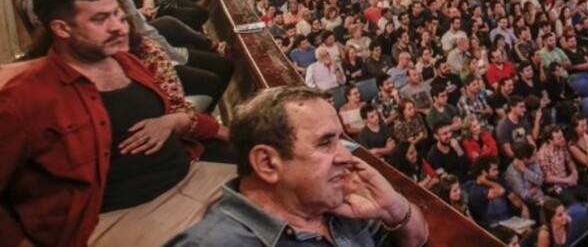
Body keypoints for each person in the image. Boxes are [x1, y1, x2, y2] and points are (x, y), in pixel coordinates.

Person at [0, 0, 235, 246]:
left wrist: (228, 134)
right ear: (62, 28)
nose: (119, 26)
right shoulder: (26, 95)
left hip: (187, 174)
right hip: (122, 217)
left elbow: (175, 112)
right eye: (101, 19)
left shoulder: (126, 62)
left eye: (118, 14)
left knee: (276, 187)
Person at [167, 86, 428, 246]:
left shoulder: (341, 200)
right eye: (325, 142)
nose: (347, 157)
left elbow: (417, 239)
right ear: (267, 163)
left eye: (340, 140)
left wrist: (394, 208)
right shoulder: (215, 244)